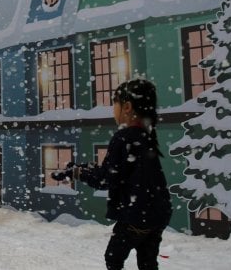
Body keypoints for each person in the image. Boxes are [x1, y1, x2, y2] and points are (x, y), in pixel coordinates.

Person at [52, 79, 172, 270]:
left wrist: (77, 173)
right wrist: (85, 168)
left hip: (136, 214)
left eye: (113, 104)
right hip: (157, 213)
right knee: (148, 262)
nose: (112, 110)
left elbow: (106, 179)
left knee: (113, 258)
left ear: (127, 106)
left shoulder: (123, 137)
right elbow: (119, 171)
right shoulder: (145, 136)